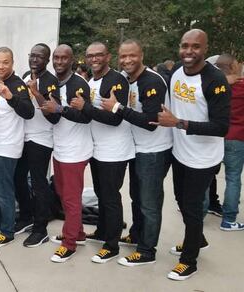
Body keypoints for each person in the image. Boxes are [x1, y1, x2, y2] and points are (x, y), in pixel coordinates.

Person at [156, 29, 230, 280]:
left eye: (195, 46)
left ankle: (189, 260)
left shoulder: (215, 80)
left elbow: (221, 127)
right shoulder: (177, 70)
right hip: (180, 153)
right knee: (181, 200)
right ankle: (197, 239)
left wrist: (179, 123)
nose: (189, 51)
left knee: (191, 205)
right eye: (185, 45)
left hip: (204, 158)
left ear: (205, 49)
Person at [100, 40, 173, 266]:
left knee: (149, 202)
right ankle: (137, 234)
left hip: (154, 151)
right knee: (136, 196)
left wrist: (117, 108)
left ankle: (146, 250)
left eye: (132, 55)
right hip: (136, 149)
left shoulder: (152, 81)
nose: (127, 60)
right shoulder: (126, 79)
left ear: (142, 55)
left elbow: (151, 122)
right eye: (123, 56)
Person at [80, 42, 134, 264]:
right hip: (98, 149)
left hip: (115, 150)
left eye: (99, 55)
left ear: (108, 57)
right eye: (90, 56)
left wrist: (85, 108)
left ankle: (111, 245)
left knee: (111, 197)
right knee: (102, 195)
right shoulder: (92, 81)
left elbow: (115, 118)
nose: (94, 59)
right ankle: (102, 231)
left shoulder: (116, 81)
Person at [46, 44, 92, 263]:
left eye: (64, 58)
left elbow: (86, 117)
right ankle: (79, 233)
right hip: (60, 148)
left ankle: (69, 243)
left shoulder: (79, 83)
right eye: (56, 58)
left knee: (72, 199)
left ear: (72, 60)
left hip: (76, 151)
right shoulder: (54, 83)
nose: (59, 62)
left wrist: (60, 109)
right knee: (63, 195)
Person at [0, 47, 34, 248]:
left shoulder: (18, 85)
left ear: (12, 63)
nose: (1, 66)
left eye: (5, 62)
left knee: (3, 189)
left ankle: (7, 230)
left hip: (7, 147)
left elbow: (29, 112)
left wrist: (10, 97)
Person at [13, 43, 60, 248]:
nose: (34, 60)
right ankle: (26, 217)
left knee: (39, 184)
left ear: (47, 60)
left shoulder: (51, 81)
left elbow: (54, 116)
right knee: (18, 178)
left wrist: (36, 92)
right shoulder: (25, 75)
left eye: (39, 57)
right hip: (23, 137)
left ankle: (40, 229)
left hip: (41, 140)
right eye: (32, 55)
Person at [215, 54, 244, 231]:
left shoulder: (214, 86)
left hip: (216, 136)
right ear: (232, 67)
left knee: (207, 176)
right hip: (237, 137)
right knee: (233, 178)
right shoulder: (242, 87)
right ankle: (229, 220)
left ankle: (199, 213)